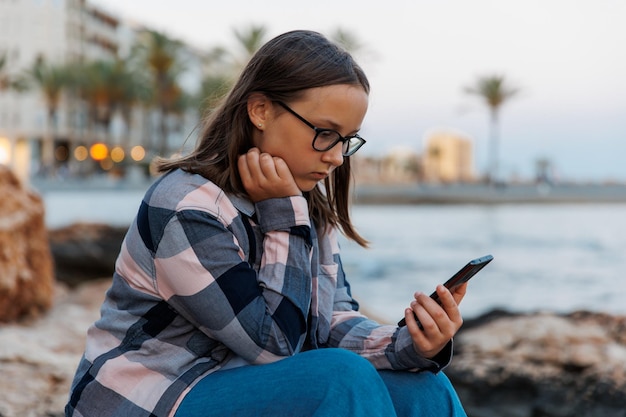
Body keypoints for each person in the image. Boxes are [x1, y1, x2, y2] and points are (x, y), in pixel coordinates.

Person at [65, 30, 468, 417]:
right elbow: (274, 344)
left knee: (424, 389)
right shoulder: (186, 207)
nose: (337, 157)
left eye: (347, 139)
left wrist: (410, 344)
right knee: (340, 379)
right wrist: (283, 218)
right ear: (260, 110)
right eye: (326, 133)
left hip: (242, 390)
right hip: (148, 400)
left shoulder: (306, 206)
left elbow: (328, 323)